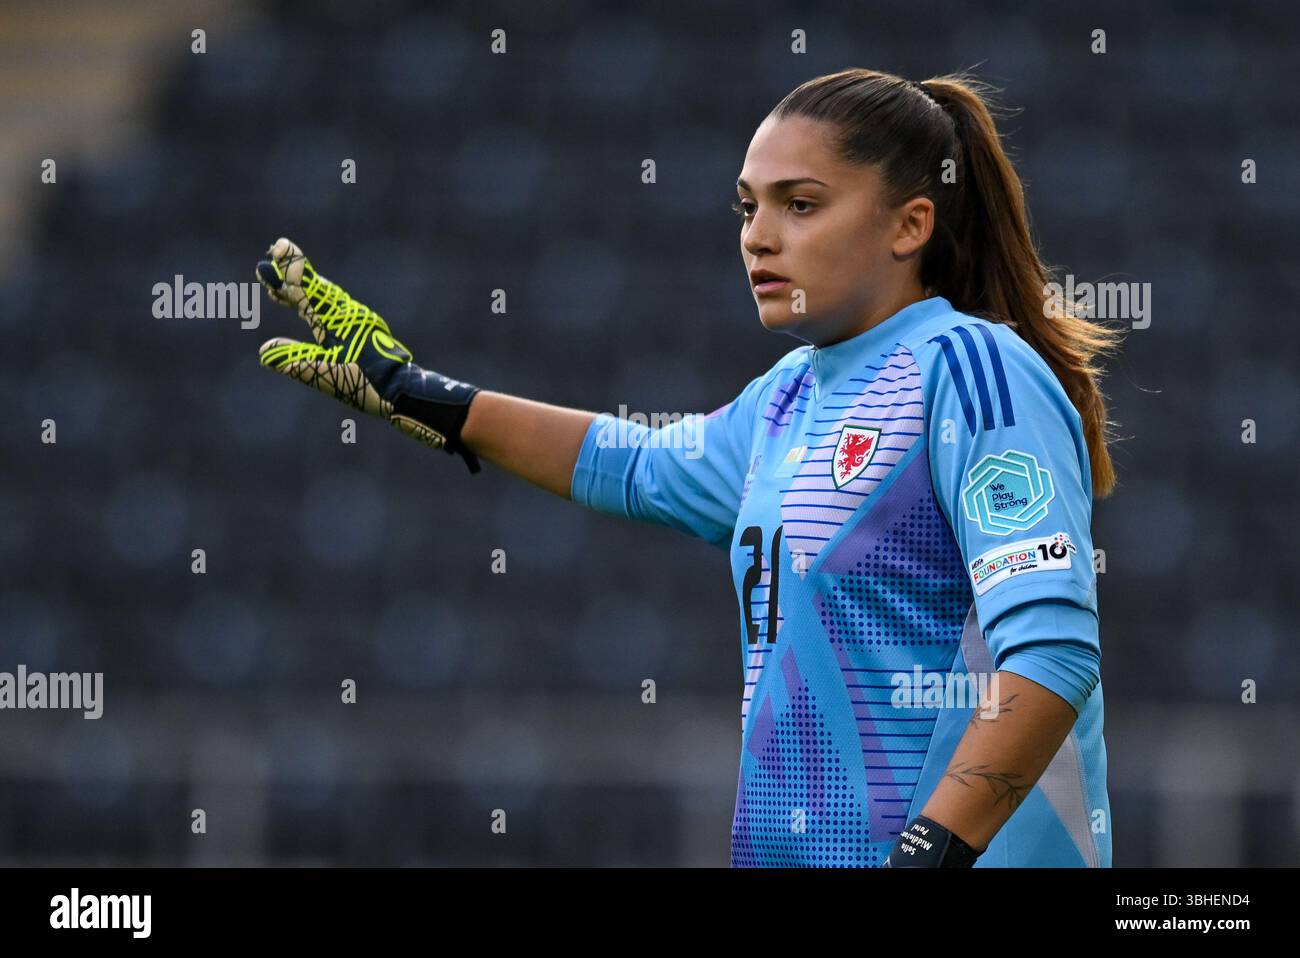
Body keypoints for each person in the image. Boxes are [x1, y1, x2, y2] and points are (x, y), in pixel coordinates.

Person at [253, 67, 1123, 868]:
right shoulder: (786, 398)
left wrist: (926, 854)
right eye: (747, 208)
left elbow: (1048, 658)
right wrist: (421, 395)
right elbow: (631, 462)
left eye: (801, 204)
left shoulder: (974, 371)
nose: (759, 237)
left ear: (910, 223)